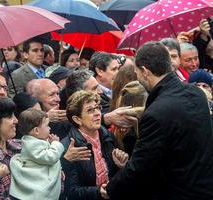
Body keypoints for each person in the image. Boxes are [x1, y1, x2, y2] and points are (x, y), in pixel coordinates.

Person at [106, 41, 213, 200]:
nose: (138, 77)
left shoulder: (156, 113)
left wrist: (109, 189)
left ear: (144, 71)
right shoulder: (196, 93)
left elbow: (140, 166)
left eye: (137, 73)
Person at [62, 90, 128, 200]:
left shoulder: (108, 136)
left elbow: (116, 176)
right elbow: (71, 192)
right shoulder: (68, 148)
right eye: (90, 110)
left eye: (97, 107)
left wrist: (122, 167)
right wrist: (98, 192)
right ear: (77, 119)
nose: (98, 113)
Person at [10, 108, 64, 200]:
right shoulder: (32, 145)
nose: (50, 128)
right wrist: (56, 144)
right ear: (36, 131)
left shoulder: (35, 140)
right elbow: (50, 157)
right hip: (39, 189)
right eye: (47, 126)